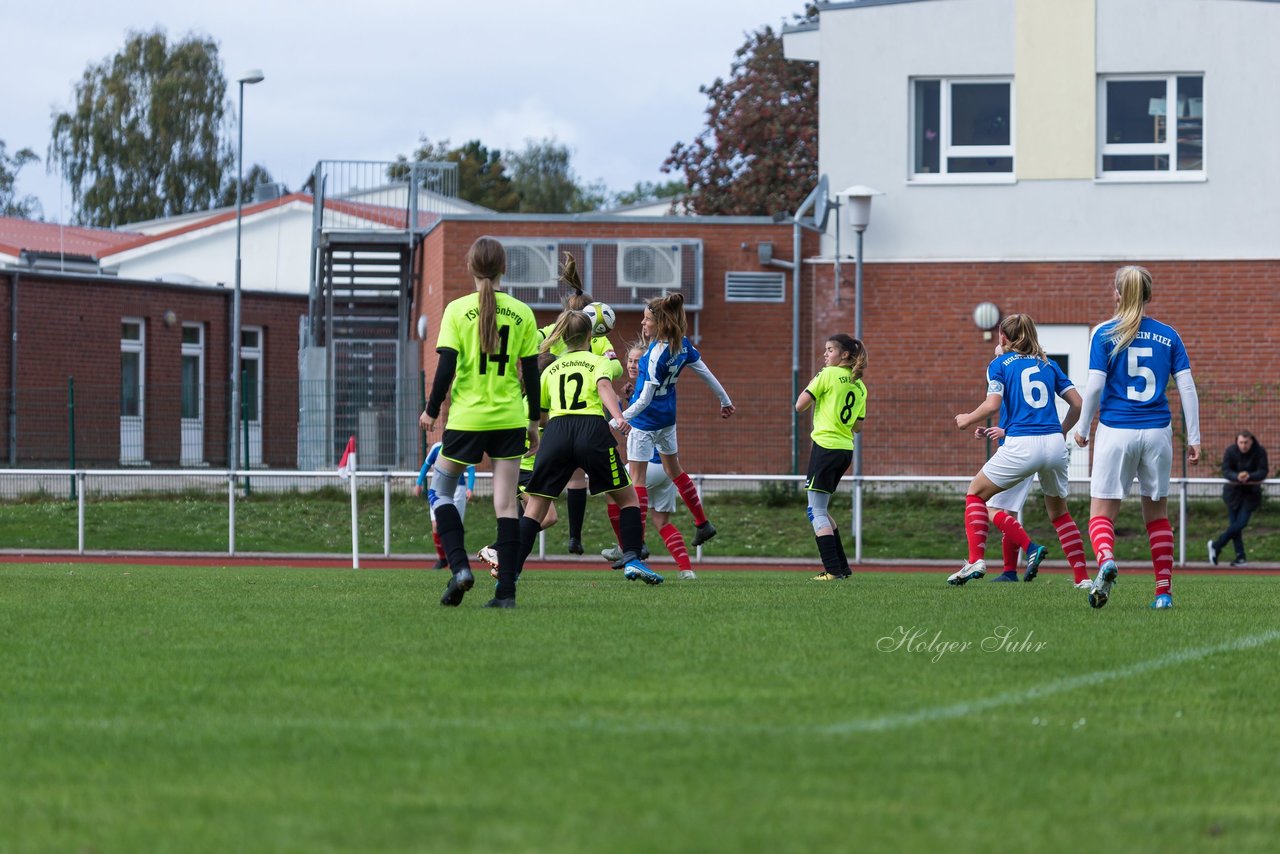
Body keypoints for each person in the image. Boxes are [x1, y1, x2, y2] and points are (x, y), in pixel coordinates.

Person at [420, 236, 541, 609]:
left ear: (471, 268)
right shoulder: (522, 312)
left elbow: (445, 370)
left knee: (440, 491)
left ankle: (459, 568)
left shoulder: (457, 311)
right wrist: (533, 422)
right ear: (504, 268)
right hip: (509, 418)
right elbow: (532, 375)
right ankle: (506, 593)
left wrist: (432, 409)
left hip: (467, 418)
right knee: (506, 506)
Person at [1073, 265, 1201, 610]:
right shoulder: (1168, 335)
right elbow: (1186, 386)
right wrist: (1194, 438)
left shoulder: (1103, 333)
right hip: (1158, 432)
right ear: (1148, 295)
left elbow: (1096, 385)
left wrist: (1082, 428)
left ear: (1117, 294)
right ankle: (1163, 593)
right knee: (1157, 514)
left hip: (1116, 430)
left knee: (1101, 511)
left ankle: (1106, 559)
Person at [515, 310, 661, 585]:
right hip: (590, 431)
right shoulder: (597, 361)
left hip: (556, 433)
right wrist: (618, 417)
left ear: (562, 336)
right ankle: (632, 560)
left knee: (535, 509)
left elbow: (541, 413)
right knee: (628, 498)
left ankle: (511, 572)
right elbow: (604, 386)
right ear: (591, 335)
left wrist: (539, 434)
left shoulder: (551, 368)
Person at [952, 314, 1083, 587]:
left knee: (975, 494)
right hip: (1054, 443)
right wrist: (1061, 431)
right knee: (1060, 514)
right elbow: (1078, 404)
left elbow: (992, 405)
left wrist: (967, 419)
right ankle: (1082, 579)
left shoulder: (998, 364)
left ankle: (976, 560)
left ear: (1002, 336)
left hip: (1022, 444)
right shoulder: (1048, 363)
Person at [621, 292, 734, 555]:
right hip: (668, 419)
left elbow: (645, 399)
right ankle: (702, 522)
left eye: (647, 319)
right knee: (675, 471)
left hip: (645, 421)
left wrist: (620, 418)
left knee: (636, 478)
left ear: (660, 323)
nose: (642, 323)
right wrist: (725, 400)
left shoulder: (653, 356)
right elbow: (706, 373)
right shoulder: (681, 344)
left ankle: (635, 544)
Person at [537, 253, 622, 556]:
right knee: (618, 490)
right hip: (589, 420)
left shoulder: (554, 330)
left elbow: (531, 343)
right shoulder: (596, 339)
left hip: (556, 419)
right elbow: (615, 367)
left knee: (544, 497)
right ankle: (627, 548)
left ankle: (510, 547)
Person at [602, 341, 695, 580]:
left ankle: (627, 546)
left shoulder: (646, 386)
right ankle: (686, 570)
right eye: (630, 360)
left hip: (649, 463)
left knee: (612, 490)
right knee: (661, 521)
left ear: (646, 361)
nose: (633, 364)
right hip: (665, 467)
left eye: (637, 361)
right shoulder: (646, 385)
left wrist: (615, 412)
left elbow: (633, 418)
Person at [795, 334, 867, 581]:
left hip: (825, 447)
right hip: (845, 450)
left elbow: (800, 405)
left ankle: (832, 570)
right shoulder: (860, 385)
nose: (825, 355)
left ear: (844, 355)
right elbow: (857, 426)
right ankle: (843, 568)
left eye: (829, 350)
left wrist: (820, 392)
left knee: (815, 511)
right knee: (821, 509)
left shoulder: (827, 375)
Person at [1208, 431, 1268, 567]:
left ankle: (1217, 545)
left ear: (1251, 441)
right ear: (1237, 441)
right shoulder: (1230, 451)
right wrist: (1237, 476)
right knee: (1235, 526)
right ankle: (1240, 557)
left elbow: (1263, 471)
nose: (1243, 445)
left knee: (1240, 523)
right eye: (1241, 442)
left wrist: (1249, 475)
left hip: (1250, 495)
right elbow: (1226, 470)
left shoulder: (1259, 452)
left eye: (1246, 442)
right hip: (1233, 494)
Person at [415, 441, 475, 569]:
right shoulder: (437, 447)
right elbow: (426, 465)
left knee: (456, 525)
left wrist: (470, 488)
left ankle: (457, 561)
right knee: (436, 525)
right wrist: (419, 482)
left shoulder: (462, 445)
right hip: (438, 490)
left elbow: (470, 469)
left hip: (458, 490)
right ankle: (442, 559)